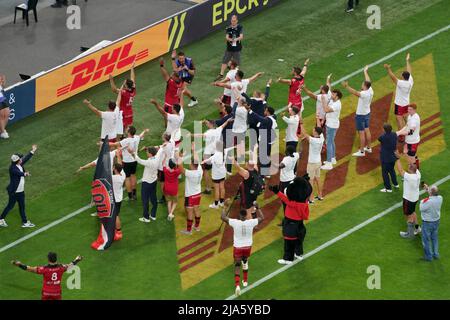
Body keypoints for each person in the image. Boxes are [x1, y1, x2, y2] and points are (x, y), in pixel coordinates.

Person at [221, 199, 264, 297]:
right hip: (248, 246)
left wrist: (225, 206)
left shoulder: (235, 222)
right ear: (245, 216)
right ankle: (245, 280)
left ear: (240, 216)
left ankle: (237, 286)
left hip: (238, 247)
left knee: (237, 265)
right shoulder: (251, 222)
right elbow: (262, 217)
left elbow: (223, 217)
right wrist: (258, 207)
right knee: (245, 261)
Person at [11, 253, 83, 300]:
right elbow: (70, 265)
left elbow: (30, 269)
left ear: (48, 260)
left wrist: (19, 264)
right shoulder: (61, 267)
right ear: (56, 259)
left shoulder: (44, 269)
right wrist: (77, 260)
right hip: (57, 293)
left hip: (46, 292)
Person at [0, 145, 38, 228]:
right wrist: (25, 173)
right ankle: (1, 219)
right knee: (10, 206)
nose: (21, 159)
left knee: (22, 206)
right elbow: (18, 173)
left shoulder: (19, 164)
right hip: (14, 192)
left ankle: (24, 222)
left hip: (20, 191)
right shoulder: (12, 168)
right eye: (20, 158)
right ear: (17, 161)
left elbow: (26, 158)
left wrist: (33, 150)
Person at [342, 65, 374, 157]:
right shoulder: (370, 90)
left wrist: (347, 86)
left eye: (363, 84)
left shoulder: (364, 94)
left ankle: (362, 151)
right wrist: (365, 71)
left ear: (364, 86)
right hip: (367, 113)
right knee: (367, 130)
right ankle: (369, 147)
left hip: (361, 115)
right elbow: (369, 81)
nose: (362, 84)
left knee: (361, 132)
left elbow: (355, 92)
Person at [110, 126, 149, 201]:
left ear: (129, 132)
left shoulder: (126, 141)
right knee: (133, 176)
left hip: (127, 162)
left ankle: (130, 195)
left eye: (127, 129)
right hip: (134, 160)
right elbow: (141, 135)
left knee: (127, 178)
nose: (126, 130)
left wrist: (104, 143)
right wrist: (145, 131)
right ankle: (134, 193)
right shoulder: (136, 138)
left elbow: (115, 144)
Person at [130, 145, 163, 223]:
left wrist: (134, 153)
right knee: (153, 198)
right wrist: (162, 146)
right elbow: (160, 150)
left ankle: (146, 217)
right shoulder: (157, 157)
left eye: (147, 152)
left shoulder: (149, 162)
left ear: (151, 154)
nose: (146, 153)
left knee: (145, 200)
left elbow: (139, 160)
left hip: (146, 183)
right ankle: (153, 215)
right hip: (154, 181)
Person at [384, 53, 413, 141]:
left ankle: (402, 136)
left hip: (399, 104)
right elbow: (409, 71)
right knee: (406, 117)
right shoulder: (410, 81)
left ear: (403, 77)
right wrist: (407, 61)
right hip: (406, 103)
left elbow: (393, 77)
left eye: (402, 74)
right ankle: (411, 130)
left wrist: (388, 69)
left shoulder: (401, 83)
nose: (400, 75)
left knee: (399, 119)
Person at [246, 105, 278, 178]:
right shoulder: (273, 117)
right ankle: (267, 171)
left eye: (266, 110)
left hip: (265, 140)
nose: (264, 111)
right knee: (266, 155)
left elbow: (259, 118)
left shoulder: (268, 120)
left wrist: (250, 111)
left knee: (263, 157)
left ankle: (263, 176)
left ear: (268, 112)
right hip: (269, 140)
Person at [230, 146, 262, 218]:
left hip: (247, 194)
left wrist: (233, 160)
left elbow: (238, 167)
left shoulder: (246, 173)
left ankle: (250, 225)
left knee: (248, 211)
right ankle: (254, 216)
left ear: (247, 165)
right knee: (252, 206)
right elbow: (255, 159)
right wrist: (255, 149)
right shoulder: (256, 169)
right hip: (254, 192)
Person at [179, 143, 203, 235]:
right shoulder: (199, 169)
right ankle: (197, 226)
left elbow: (180, 168)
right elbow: (197, 159)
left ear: (193, 165)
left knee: (189, 212)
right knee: (196, 209)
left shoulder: (190, 173)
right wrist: (194, 150)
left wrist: (180, 157)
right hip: (198, 194)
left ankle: (188, 230)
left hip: (190, 196)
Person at [396, 160, 421, 238]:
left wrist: (397, 159)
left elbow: (400, 171)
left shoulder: (410, 177)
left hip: (408, 199)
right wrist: (411, 162)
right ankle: (417, 228)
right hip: (415, 197)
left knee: (408, 215)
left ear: (410, 170)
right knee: (412, 212)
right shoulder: (418, 173)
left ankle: (410, 234)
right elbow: (414, 166)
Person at [300, 123, 325, 203]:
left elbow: (305, 134)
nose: (312, 131)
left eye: (314, 130)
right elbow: (319, 127)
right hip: (318, 162)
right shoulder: (321, 137)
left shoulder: (314, 140)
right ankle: (320, 195)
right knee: (318, 178)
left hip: (312, 163)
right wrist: (317, 117)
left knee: (310, 180)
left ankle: (311, 198)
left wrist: (301, 124)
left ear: (316, 133)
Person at [109, 61, 137, 132]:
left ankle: (123, 139)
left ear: (127, 86)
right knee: (129, 127)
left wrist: (111, 80)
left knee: (122, 128)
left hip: (123, 112)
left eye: (125, 83)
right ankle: (129, 138)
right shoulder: (133, 90)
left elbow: (114, 90)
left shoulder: (124, 92)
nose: (124, 84)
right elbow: (133, 78)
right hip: (130, 112)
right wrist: (132, 68)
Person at [216, 15, 244, 81]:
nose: (233, 22)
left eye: (234, 21)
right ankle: (221, 75)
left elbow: (241, 37)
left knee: (237, 62)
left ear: (237, 21)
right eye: (232, 21)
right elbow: (227, 37)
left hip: (237, 49)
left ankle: (237, 76)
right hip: (229, 48)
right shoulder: (228, 28)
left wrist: (235, 39)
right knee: (225, 61)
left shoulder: (240, 27)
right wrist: (230, 40)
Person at [321, 89, 343, 170]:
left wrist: (323, 101)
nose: (331, 96)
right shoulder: (334, 101)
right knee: (331, 141)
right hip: (333, 124)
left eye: (333, 95)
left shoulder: (337, 104)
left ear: (337, 96)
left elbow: (326, 110)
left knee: (329, 143)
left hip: (331, 125)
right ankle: (333, 158)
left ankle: (329, 163)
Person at [420, 185, 442, 261]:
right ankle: (436, 254)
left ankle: (429, 256)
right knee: (434, 238)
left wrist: (422, 201)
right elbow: (433, 195)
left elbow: (421, 208)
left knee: (426, 240)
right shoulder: (440, 198)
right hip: (436, 222)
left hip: (427, 223)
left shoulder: (427, 202)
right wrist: (428, 189)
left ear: (431, 193)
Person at [202, 141, 227, 209]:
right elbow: (229, 148)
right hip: (223, 173)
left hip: (216, 175)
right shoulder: (225, 151)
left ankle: (216, 204)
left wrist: (203, 161)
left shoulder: (216, 155)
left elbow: (208, 160)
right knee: (222, 187)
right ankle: (221, 202)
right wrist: (237, 146)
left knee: (217, 189)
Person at [378, 123, 399, 192]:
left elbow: (379, 139)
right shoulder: (394, 134)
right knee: (392, 170)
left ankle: (388, 188)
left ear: (384, 130)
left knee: (385, 173)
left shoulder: (383, 137)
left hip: (385, 158)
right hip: (393, 157)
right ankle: (395, 184)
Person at [157, 133, 176, 204]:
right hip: (169, 165)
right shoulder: (171, 143)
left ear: (165, 138)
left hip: (163, 166)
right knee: (167, 182)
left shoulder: (165, 146)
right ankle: (168, 196)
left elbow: (159, 148)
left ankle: (164, 198)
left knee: (162, 183)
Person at [112, 163, 126, 241]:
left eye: (113, 167)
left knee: (116, 215)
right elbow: (121, 168)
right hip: (119, 198)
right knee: (116, 214)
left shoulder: (113, 178)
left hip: (114, 199)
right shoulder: (122, 175)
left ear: (116, 169)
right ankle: (117, 231)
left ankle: (119, 232)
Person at [0, 74, 11, 139]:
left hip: (2, 98)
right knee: (1, 116)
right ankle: (3, 132)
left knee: (7, 114)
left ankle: (2, 130)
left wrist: (3, 81)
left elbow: (3, 86)